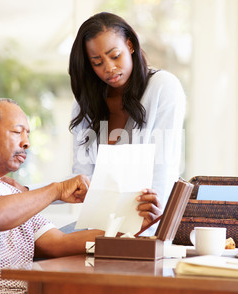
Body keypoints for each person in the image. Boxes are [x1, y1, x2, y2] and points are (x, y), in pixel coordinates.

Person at [0, 98, 160, 294]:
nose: (26, 143)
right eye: (18, 133)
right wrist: (56, 190)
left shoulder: (9, 194)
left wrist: (130, 227)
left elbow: (58, 243)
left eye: (28, 134)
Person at [69, 12, 186, 209]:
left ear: (130, 45)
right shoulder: (85, 105)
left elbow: (164, 168)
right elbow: (81, 178)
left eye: (115, 56)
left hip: (150, 219)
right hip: (100, 224)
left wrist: (154, 220)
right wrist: (29, 190)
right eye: (97, 62)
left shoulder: (162, 87)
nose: (109, 68)